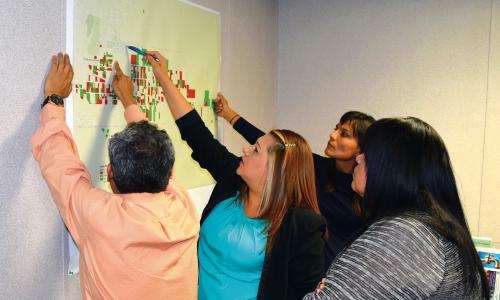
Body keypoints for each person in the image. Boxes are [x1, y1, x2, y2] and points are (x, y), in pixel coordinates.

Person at [131, 50, 326, 300]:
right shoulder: (233, 179)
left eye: (255, 150)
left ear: (277, 172)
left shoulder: (302, 225)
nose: (245, 149)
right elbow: (196, 134)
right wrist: (164, 79)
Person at [31, 53, 199, 300]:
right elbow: (152, 153)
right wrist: (129, 100)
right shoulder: (182, 206)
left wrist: (53, 98)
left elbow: (60, 164)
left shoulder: (99, 216)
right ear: (166, 172)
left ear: (110, 175)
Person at [303, 117, 490, 299]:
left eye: (367, 153)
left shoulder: (406, 235)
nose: (358, 158)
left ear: (392, 169)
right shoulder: (425, 228)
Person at [215, 94, 375, 266]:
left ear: (360, 148)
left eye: (344, 134)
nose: (332, 134)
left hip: (338, 277)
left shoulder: (364, 188)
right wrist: (229, 114)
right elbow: (281, 145)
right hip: (302, 267)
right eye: (335, 128)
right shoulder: (315, 164)